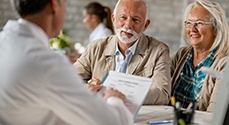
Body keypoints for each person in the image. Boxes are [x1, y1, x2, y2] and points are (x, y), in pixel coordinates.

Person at [0, 0, 133, 125]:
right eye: (64, 3)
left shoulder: (5, 41)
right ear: (54, 5)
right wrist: (114, 99)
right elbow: (113, 122)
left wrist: (79, 92)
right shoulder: (46, 63)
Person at [74, 0, 171, 105]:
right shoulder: (95, 47)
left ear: (145, 25)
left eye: (135, 19)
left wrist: (119, 95)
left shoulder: (159, 51)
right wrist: (86, 88)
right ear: (113, 19)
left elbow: (162, 94)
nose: (128, 25)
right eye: (123, 18)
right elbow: (69, 79)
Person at [171, 0, 229, 112]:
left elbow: (213, 114)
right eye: (189, 23)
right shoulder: (181, 55)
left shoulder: (224, 64)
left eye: (199, 23)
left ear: (216, 29)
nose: (192, 29)